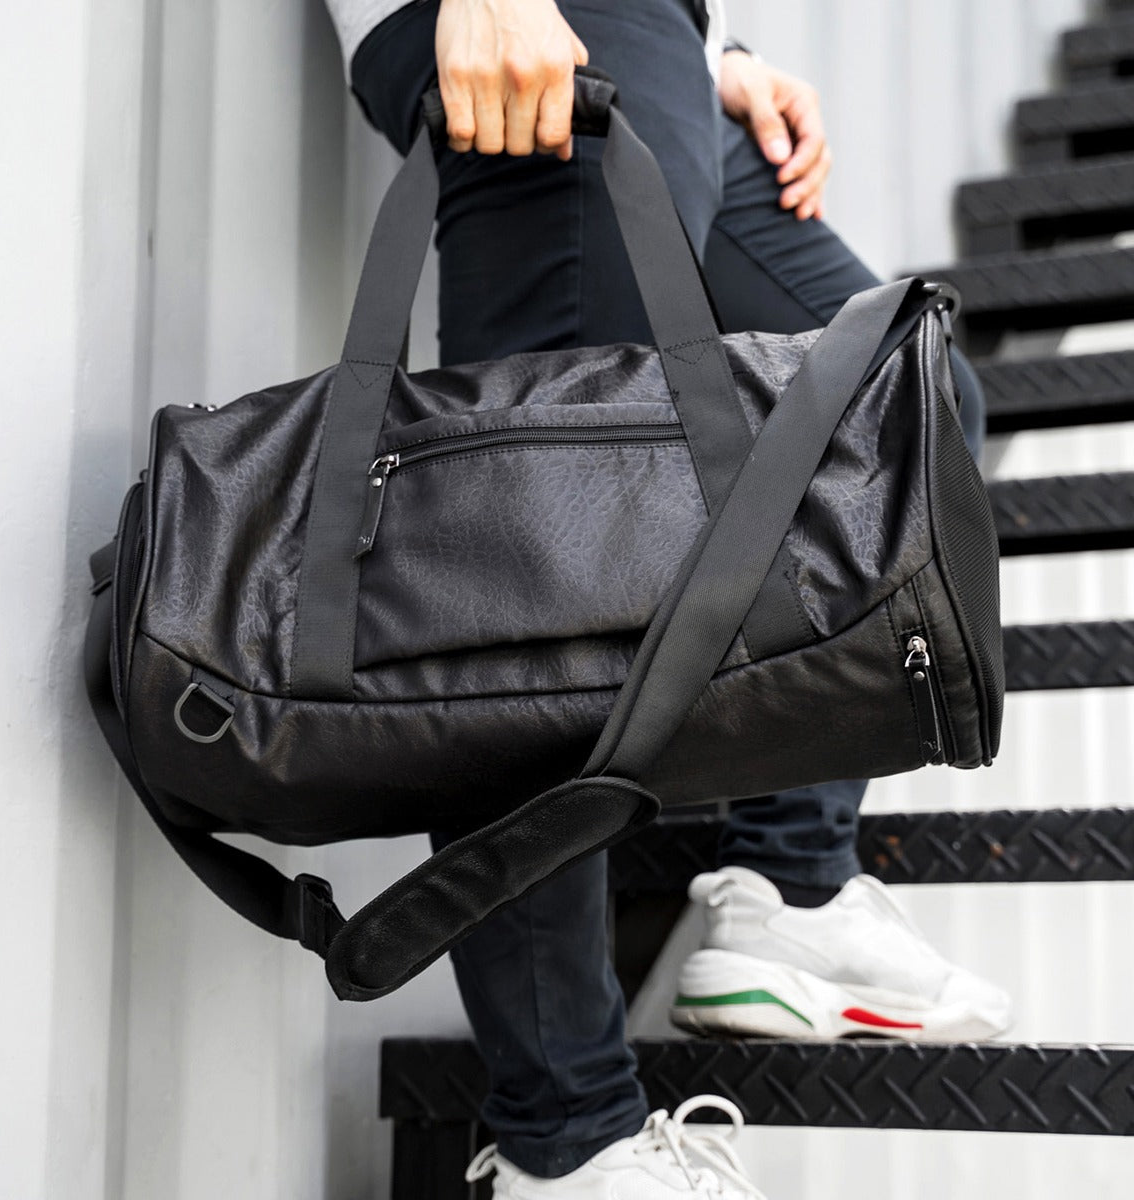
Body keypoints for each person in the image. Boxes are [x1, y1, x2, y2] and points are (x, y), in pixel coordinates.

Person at [327, 1, 1012, 1195]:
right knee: (533, 569)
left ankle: (791, 886)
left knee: (911, 391)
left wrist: (716, 52)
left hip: (660, 45)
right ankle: (567, 1138)